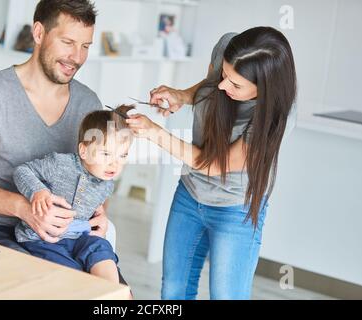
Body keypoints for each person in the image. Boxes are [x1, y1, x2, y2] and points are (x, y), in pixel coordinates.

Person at [0, 0, 127, 284]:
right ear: (38, 33)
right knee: (52, 287)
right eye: (68, 42)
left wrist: (98, 214)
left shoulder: (89, 104)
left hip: (65, 235)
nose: (77, 57)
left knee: (115, 294)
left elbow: (95, 178)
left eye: (85, 46)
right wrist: (25, 208)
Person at [126, 27, 297, 299]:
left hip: (235, 210)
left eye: (235, 85)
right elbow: (209, 84)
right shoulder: (229, 48)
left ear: (264, 88)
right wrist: (182, 95)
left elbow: (214, 164)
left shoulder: (277, 118)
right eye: (224, 74)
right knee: (174, 291)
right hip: (190, 195)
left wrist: (154, 133)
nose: (222, 86)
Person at [13, 105, 134, 283]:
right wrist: (38, 191)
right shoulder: (60, 164)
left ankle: (110, 292)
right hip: (43, 238)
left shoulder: (107, 183)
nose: (114, 164)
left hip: (80, 237)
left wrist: (100, 215)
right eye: (106, 153)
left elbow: (96, 208)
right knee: (69, 271)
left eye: (122, 156)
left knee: (101, 247)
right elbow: (22, 171)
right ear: (83, 150)